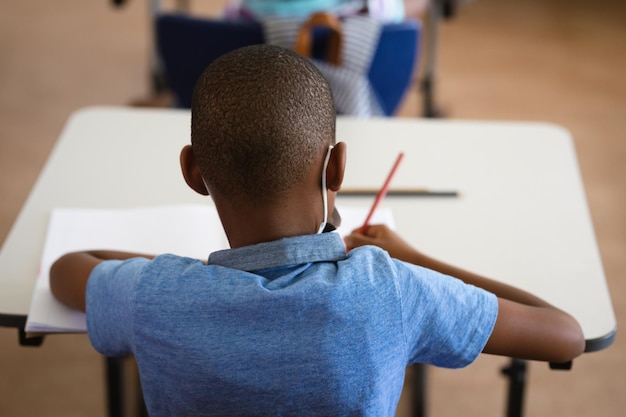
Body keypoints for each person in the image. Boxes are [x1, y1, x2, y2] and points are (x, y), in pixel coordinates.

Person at [50, 44, 584, 417]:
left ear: (194, 173)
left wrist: (177, 273)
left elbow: (66, 269)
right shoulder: (393, 289)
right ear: (337, 169)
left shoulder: (156, 295)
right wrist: (411, 257)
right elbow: (564, 332)